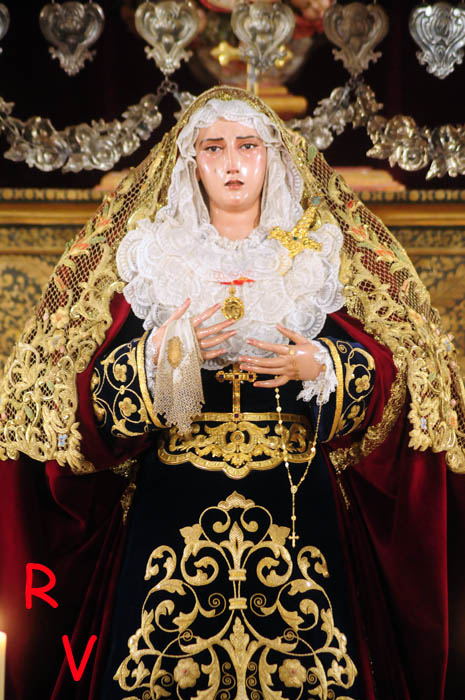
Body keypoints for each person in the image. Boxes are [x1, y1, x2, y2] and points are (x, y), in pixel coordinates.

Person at [0, 86, 464, 700]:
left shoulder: (320, 258)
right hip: (172, 504)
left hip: (299, 502)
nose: (232, 163)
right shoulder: (152, 260)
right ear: (191, 162)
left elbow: (399, 373)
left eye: (247, 146)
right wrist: (163, 358)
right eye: (213, 148)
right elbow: (81, 396)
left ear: (272, 156)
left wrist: (321, 364)